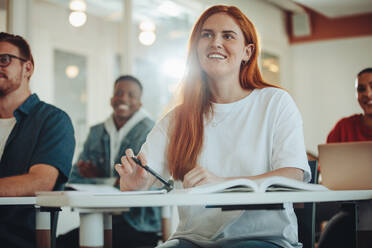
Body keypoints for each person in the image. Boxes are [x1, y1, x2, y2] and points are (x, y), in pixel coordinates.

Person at [115, 5, 311, 248]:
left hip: (263, 238)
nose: (215, 42)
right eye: (206, 35)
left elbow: (293, 175)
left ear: (247, 52)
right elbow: (146, 176)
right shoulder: (177, 118)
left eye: (227, 36)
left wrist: (223, 183)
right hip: (190, 240)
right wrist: (136, 186)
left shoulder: (275, 102)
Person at [57, 75, 161, 248]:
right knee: (59, 243)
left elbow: (144, 183)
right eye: (119, 93)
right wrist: (115, 181)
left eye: (131, 95)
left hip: (140, 224)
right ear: (111, 98)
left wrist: (98, 177)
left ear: (140, 102)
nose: (123, 98)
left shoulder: (151, 131)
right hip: (101, 218)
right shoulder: (96, 132)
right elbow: (75, 178)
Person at [0, 32, 75, 248]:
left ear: (28, 68)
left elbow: (41, 182)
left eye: (4, 59)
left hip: (19, 240)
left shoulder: (53, 121)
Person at [317, 68, 372, 248]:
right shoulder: (344, 126)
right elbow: (324, 167)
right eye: (361, 89)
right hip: (350, 209)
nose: (368, 93)